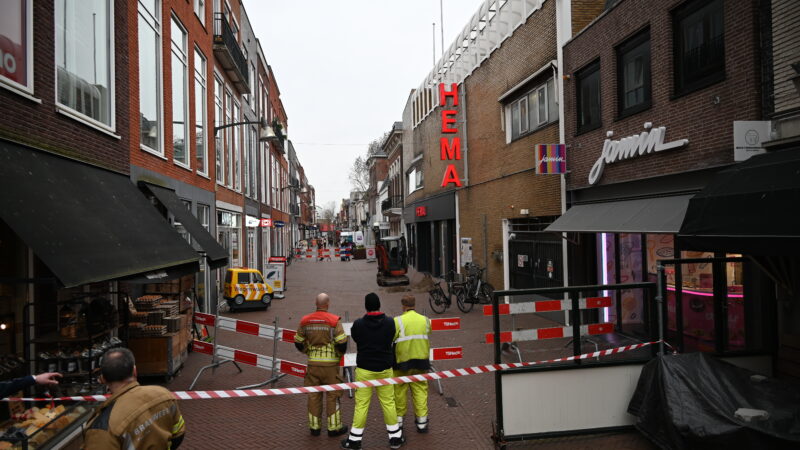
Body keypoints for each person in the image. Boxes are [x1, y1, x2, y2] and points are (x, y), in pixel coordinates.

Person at [84, 348, 185, 449]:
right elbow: (179, 433)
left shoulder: (103, 427)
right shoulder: (164, 395)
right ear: (135, 371)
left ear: (103, 379)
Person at [341, 293, 404, 449]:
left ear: (366, 306)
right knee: (389, 403)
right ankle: (395, 438)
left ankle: (355, 440)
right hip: (385, 369)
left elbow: (356, 338)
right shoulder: (390, 323)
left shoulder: (358, 324)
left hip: (364, 370)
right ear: (379, 305)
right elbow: (393, 337)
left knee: (361, 405)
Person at [294, 293, 349, 437]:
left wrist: (308, 351)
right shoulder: (334, 321)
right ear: (328, 304)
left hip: (313, 365)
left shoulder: (305, 321)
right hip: (331, 367)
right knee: (333, 395)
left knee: (313, 395)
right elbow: (342, 343)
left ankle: (314, 428)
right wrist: (337, 354)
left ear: (315, 303)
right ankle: (334, 428)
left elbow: (298, 342)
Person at [393, 295, 432, 433]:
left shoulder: (397, 321)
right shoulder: (425, 320)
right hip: (421, 362)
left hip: (402, 363)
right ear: (414, 304)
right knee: (420, 390)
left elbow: (392, 338)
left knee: (399, 391)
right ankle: (422, 423)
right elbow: (428, 332)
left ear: (403, 306)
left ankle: (399, 421)